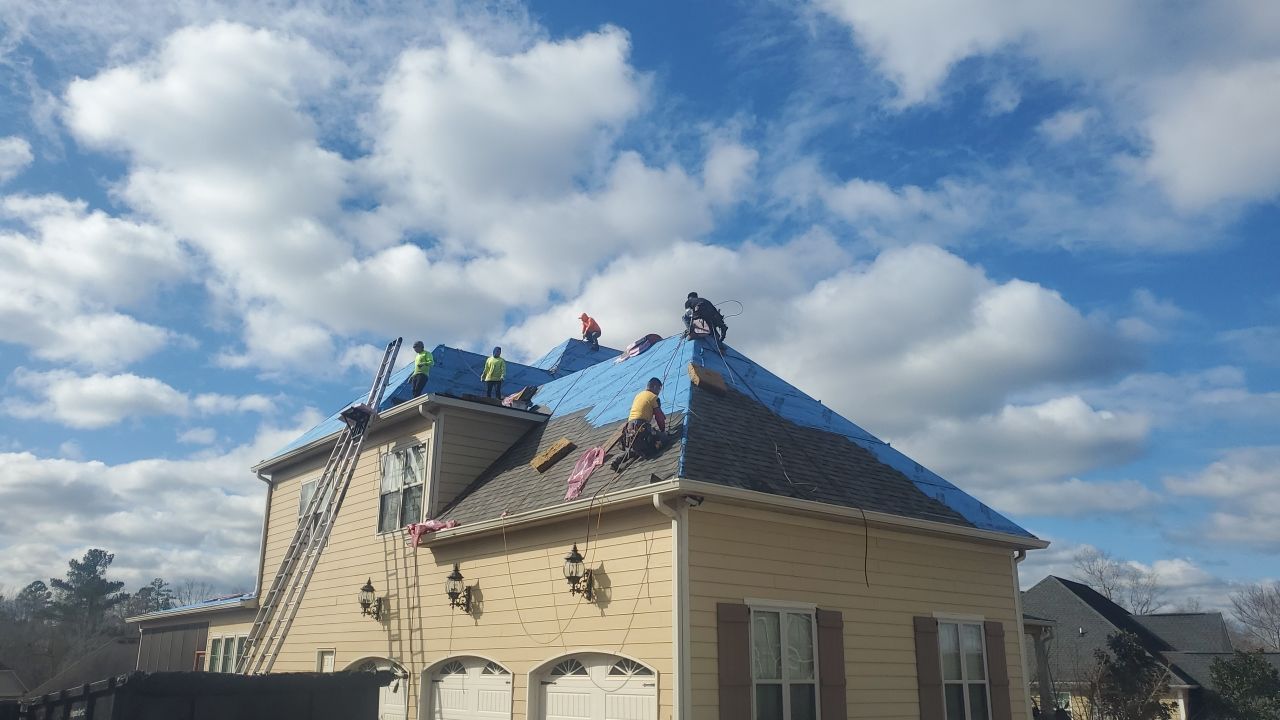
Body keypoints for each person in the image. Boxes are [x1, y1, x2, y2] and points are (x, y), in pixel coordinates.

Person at [612, 378, 667, 471]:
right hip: (641, 428)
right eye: (659, 389)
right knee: (663, 439)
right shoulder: (653, 397)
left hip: (629, 430)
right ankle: (650, 450)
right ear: (654, 386)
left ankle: (618, 460)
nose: (658, 393)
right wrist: (663, 431)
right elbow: (659, 418)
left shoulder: (639, 395)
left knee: (638, 448)